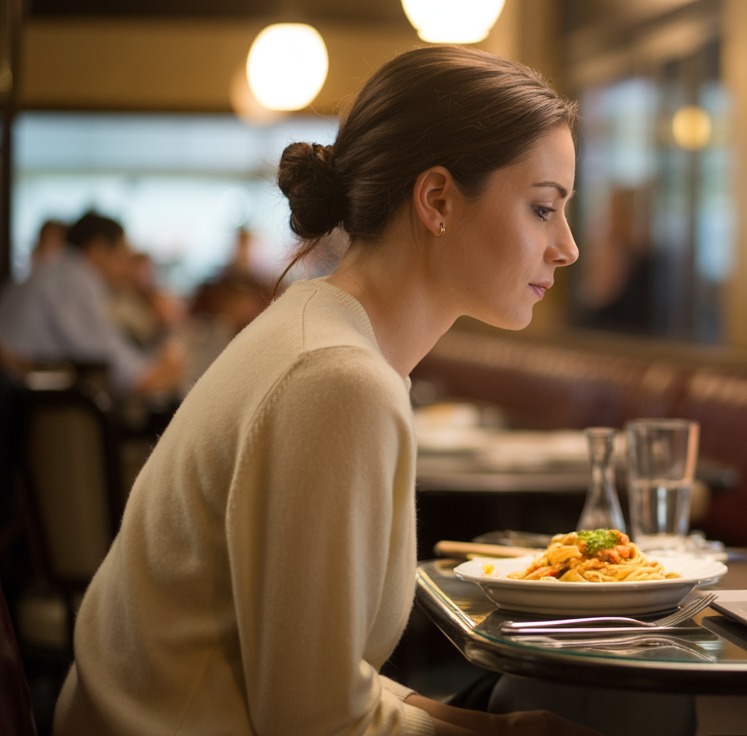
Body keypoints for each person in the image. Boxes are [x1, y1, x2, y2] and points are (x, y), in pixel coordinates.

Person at [54, 46, 598, 736]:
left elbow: (331, 685)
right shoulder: (338, 380)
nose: (568, 247)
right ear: (436, 201)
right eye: (544, 210)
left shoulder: (321, 331)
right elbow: (314, 722)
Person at [0, 211, 184, 397]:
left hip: (22, 396)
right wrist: (170, 363)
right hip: (26, 405)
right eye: (122, 255)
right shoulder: (74, 282)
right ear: (98, 250)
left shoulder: (55, 270)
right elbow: (135, 378)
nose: (126, 268)